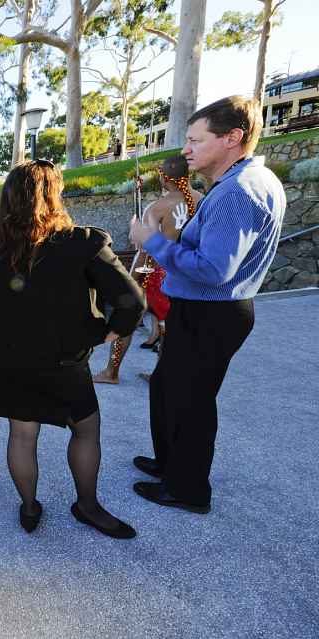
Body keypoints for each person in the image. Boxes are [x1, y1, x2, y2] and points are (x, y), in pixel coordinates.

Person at [0, 161, 144, 539]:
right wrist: (106, 335)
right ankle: (88, 506)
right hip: (67, 362)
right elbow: (132, 300)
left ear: (7, 199)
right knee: (85, 431)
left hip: (14, 361)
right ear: (54, 195)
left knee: (22, 436)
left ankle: (30, 508)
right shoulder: (83, 244)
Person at [129, 96, 286, 513]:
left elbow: (214, 269)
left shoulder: (239, 191)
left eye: (196, 140)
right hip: (204, 308)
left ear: (233, 138)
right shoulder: (239, 182)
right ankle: (170, 465)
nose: (185, 149)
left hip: (211, 310)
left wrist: (152, 242)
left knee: (191, 401)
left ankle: (188, 489)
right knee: (168, 388)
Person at [93, 155, 202, 384]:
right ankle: (161, 374)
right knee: (168, 324)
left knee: (127, 321)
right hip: (184, 271)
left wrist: (131, 278)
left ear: (164, 177)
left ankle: (111, 372)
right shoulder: (203, 201)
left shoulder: (157, 207)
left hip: (153, 271)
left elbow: (145, 247)